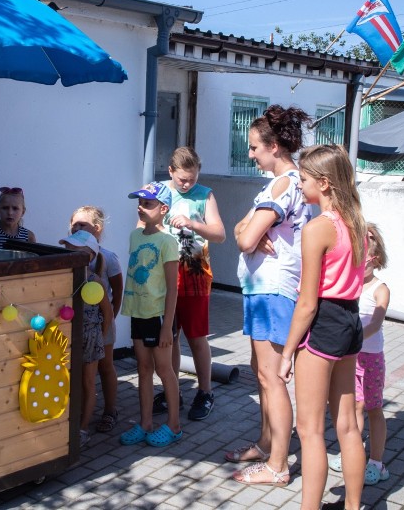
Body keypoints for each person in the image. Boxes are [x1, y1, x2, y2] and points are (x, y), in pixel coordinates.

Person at [226, 105, 311, 486]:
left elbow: (244, 237)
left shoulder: (283, 184)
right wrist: (251, 233)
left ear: (274, 146)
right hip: (264, 289)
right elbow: (239, 227)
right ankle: (266, 443)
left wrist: (251, 235)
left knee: (272, 376)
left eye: (254, 148)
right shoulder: (279, 184)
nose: (250, 155)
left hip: (274, 290)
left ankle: (278, 464)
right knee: (262, 375)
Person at [279, 144, 367, 510]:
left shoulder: (318, 228)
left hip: (324, 323)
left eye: (303, 179)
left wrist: (286, 353)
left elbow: (307, 302)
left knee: (310, 430)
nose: (299, 185)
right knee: (347, 425)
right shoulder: (358, 223)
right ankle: (353, 505)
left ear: (325, 183)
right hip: (350, 320)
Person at [149, 147, 226, 421]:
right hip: (163, 273)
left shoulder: (204, 194)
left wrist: (194, 224)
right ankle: (173, 392)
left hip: (194, 272)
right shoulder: (158, 190)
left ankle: (205, 392)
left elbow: (219, 234)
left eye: (191, 179)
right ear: (170, 171)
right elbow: (141, 224)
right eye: (182, 179)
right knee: (168, 337)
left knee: (196, 336)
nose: (187, 184)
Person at [119, 181, 182, 448]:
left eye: (147, 204)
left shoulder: (168, 242)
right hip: (139, 313)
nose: (141, 208)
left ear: (163, 208)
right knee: (143, 368)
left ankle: (174, 425)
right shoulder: (135, 236)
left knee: (164, 370)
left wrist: (167, 326)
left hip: (158, 316)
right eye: (139, 203)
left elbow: (172, 289)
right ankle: (145, 423)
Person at [328, 223, 391, 486]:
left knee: (373, 409)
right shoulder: (350, 285)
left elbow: (375, 323)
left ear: (373, 260)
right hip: (350, 357)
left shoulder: (380, 289)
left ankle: (377, 462)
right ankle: (351, 452)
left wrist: (350, 339)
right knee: (353, 407)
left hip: (370, 359)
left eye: (358, 257)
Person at [69, 206, 124, 434]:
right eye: (74, 224)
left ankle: (110, 410)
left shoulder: (108, 258)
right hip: (79, 324)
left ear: (97, 228)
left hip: (101, 323)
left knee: (105, 366)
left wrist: (109, 323)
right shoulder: (70, 255)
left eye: (83, 225)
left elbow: (118, 292)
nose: (77, 228)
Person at [58, 230, 114, 448]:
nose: (69, 255)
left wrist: (99, 336)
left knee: (88, 383)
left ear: (90, 256)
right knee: (69, 382)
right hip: (68, 338)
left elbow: (107, 313)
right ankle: (67, 423)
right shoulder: (64, 279)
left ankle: (82, 429)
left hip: (90, 338)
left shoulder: (95, 281)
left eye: (76, 252)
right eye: (67, 250)